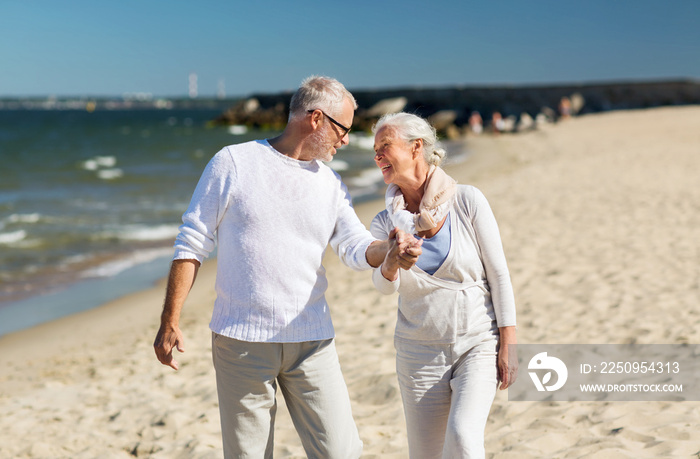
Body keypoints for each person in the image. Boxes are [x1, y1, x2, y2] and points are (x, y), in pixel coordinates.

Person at [153, 76, 420, 458]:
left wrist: (390, 251)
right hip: (241, 342)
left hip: (312, 341)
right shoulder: (233, 162)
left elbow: (354, 245)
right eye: (342, 129)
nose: (345, 141)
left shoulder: (329, 182)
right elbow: (192, 241)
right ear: (315, 119)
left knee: (341, 451)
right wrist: (170, 319)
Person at [370, 112, 518, 458]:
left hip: (477, 345)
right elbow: (383, 287)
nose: (376, 155)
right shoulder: (384, 223)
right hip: (418, 355)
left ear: (416, 147)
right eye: (375, 149)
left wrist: (509, 341)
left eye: (384, 146)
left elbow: (499, 275)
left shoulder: (467, 201)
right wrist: (391, 257)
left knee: (464, 438)